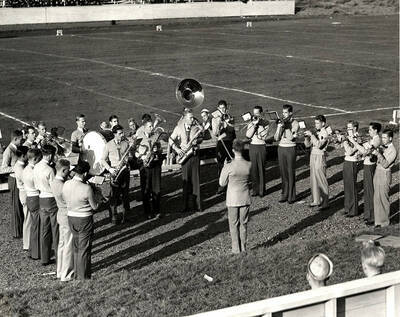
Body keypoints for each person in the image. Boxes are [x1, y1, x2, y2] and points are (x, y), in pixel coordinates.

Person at [63, 161, 100, 280]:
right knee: (84, 249)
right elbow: (95, 207)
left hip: (71, 217)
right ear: (84, 173)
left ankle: (77, 272)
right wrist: (98, 195)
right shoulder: (86, 188)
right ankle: (83, 277)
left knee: (76, 247)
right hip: (84, 218)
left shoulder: (66, 184)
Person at [219, 139, 251, 254]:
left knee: (233, 225)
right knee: (243, 224)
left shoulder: (229, 166)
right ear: (242, 150)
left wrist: (224, 167)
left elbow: (222, 183)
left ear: (233, 150)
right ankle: (243, 248)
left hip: (232, 199)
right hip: (245, 198)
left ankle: (236, 249)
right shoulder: (249, 165)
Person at [169, 108, 203, 213]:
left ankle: (197, 205)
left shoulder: (196, 126)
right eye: (191, 117)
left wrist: (197, 140)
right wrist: (177, 149)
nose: (193, 119)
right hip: (184, 157)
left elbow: (203, 137)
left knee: (196, 182)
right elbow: (170, 140)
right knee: (186, 182)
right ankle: (185, 206)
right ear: (184, 118)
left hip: (194, 155)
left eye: (193, 117)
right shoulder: (178, 127)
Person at [348, 122, 381, 225]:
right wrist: (360, 155)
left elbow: (366, 151)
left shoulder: (377, 140)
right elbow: (364, 152)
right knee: (367, 190)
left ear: (375, 130)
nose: (369, 131)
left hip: (371, 166)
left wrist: (355, 142)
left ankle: (372, 216)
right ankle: (368, 214)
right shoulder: (372, 139)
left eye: (370, 130)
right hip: (367, 165)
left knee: (370, 190)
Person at [101, 124, 132, 224]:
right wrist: (110, 169)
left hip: (124, 171)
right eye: (120, 133)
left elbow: (130, 156)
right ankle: (114, 217)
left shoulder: (125, 143)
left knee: (125, 194)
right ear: (114, 134)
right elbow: (102, 160)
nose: (122, 134)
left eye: (122, 132)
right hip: (114, 171)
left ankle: (126, 216)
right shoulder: (108, 145)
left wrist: (128, 159)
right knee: (114, 195)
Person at [33, 144, 59, 265]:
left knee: (44, 230)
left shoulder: (36, 166)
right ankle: (59, 257)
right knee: (55, 229)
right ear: (49, 155)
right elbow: (54, 187)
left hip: (41, 198)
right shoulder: (49, 170)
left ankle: (45, 258)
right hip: (51, 199)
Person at [50, 159, 74, 282]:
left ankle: (60, 271)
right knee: (68, 245)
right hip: (67, 215)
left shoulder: (54, 181)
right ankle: (67, 274)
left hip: (60, 214)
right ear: (64, 170)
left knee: (62, 244)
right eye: (68, 170)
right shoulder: (63, 185)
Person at [136, 120, 163, 219]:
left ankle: (157, 210)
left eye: (152, 126)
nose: (152, 128)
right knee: (146, 189)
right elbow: (135, 152)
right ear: (145, 127)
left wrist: (157, 151)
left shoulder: (155, 136)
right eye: (150, 126)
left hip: (155, 166)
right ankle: (147, 212)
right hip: (145, 167)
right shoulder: (139, 138)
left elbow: (161, 150)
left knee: (157, 189)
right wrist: (142, 156)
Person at [274, 104, 299, 204]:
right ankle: (284, 193)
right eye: (282, 112)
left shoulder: (295, 123)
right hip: (281, 148)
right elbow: (276, 138)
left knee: (290, 172)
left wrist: (287, 127)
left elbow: (291, 138)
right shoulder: (282, 122)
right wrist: (279, 127)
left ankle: (291, 196)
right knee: (283, 172)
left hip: (290, 148)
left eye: (285, 113)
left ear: (290, 113)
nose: (283, 115)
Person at [372, 129, 397, 228]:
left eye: (385, 138)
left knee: (383, 198)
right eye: (382, 137)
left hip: (385, 174)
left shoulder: (393, 150)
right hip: (377, 172)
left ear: (390, 138)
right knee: (377, 198)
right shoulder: (382, 147)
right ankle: (378, 221)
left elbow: (386, 164)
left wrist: (378, 154)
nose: (383, 140)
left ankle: (384, 222)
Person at [304, 115, 329, 210]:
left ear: (323, 123)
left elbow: (319, 145)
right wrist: (306, 137)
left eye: (317, 123)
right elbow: (307, 145)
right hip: (313, 155)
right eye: (315, 123)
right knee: (313, 178)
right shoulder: (315, 132)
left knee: (321, 179)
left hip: (320, 156)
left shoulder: (325, 133)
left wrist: (312, 135)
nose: (316, 125)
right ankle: (316, 200)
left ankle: (325, 202)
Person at [2, 129, 24, 238]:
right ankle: (16, 232)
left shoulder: (15, 148)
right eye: (21, 139)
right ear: (15, 139)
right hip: (13, 180)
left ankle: (20, 229)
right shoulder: (8, 151)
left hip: (17, 179)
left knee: (19, 205)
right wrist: (15, 168)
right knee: (16, 206)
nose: (22, 141)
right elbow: (3, 168)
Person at [212, 100, 236, 194]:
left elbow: (232, 131)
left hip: (229, 143)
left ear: (226, 108)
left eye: (224, 108)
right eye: (221, 108)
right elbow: (215, 133)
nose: (223, 110)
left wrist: (229, 122)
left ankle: (231, 185)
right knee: (221, 165)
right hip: (221, 144)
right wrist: (219, 122)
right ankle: (221, 185)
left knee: (231, 164)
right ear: (218, 108)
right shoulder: (215, 118)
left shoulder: (230, 117)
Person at [22, 148, 42, 260]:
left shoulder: (26, 169)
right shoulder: (33, 172)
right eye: (38, 159)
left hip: (30, 197)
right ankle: (35, 251)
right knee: (37, 226)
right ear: (34, 159)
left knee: (34, 225)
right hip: (35, 197)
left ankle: (33, 249)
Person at [245, 106, 269, 197]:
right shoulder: (251, 122)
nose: (254, 115)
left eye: (257, 114)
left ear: (261, 114)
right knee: (254, 169)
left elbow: (263, 136)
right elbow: (248, 135)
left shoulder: (265, 122)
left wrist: (259, 126)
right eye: (254, 113)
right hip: (253, 146)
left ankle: (262, 190)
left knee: (261, 168)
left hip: (261, 146)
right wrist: (254, 125)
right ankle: (255, 190)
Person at [341, 120, 360, 217]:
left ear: (355, 128)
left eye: (349, 128)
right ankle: (347, 207)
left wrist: (344, 141)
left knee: (352, 187)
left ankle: (353, 210)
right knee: (347, 186)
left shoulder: (357, 138)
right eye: (347, 128)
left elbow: (350, 151)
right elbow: (339, 147)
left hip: (352, 162)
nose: (348, 130)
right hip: (346, 161)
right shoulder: (350, 137)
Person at [13, 146, 30, 250]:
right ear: (23, 156)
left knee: (28, 218)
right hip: (25, 192)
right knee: (27, 219)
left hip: (23, 192)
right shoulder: (20, 168)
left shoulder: (20, 165)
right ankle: (27, 244)